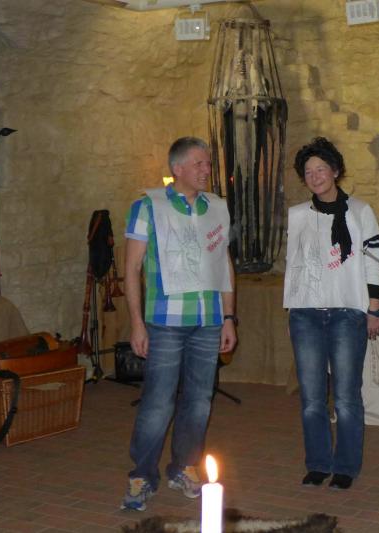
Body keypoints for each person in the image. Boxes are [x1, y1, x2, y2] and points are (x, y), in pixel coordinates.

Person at [120, 136, 237, 512]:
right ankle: (142, 475)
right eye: (199, 163)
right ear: (177, 169)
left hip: (207, 320)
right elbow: (131, 268)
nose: (207, 170)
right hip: (165, 321)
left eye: (208, 164)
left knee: (199, 402)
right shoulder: (147, 207)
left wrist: (228, 318)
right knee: (158, 401)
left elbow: (224, 265)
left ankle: (184, 467)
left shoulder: (215, 207)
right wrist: (136, 323)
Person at [283, 137, 379, 490]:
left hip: (347, 312)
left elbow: (374, 261)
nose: (315, 177)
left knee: (345, 396)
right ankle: (318, 462)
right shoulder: (298, 215)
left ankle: (346, 466)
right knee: (312, 398)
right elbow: (294, 265)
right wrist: (294, 306)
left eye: (321, 169)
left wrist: (374, 308)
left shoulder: (359, 211)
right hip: (306, 314)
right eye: (308, 172)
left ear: (336, 171)